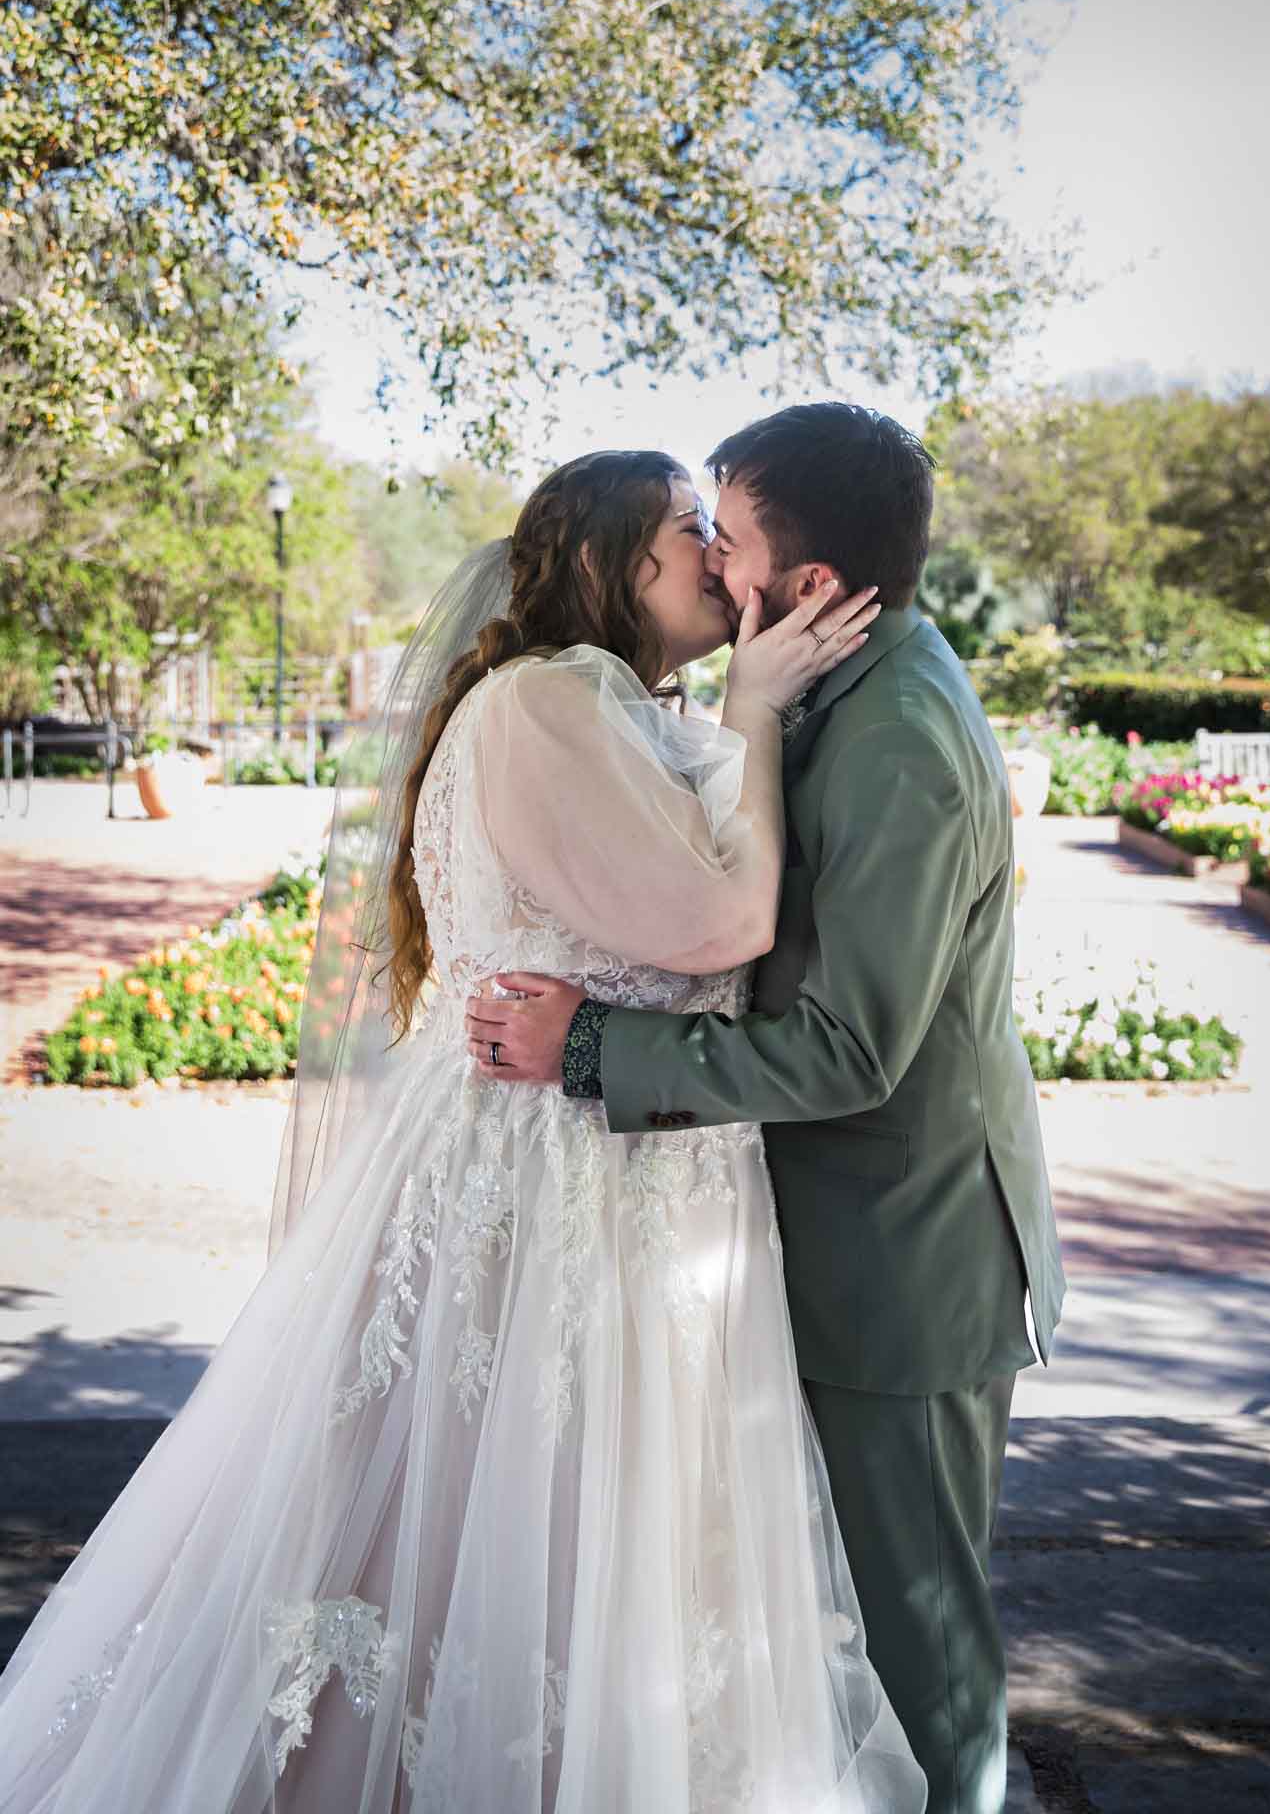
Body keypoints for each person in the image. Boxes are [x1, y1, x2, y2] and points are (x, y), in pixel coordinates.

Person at [0, 449, 927, 1814]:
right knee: (475, 1525)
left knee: (595, 1547)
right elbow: (720, 924)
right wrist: (760, 713)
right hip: (539, 1178)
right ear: (613, 562)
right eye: (687, 532)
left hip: (630, 1179)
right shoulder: (552, 700)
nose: (716, 562)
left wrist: (740, 714)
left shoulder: (618, 706)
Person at [467, 405, 1068, 1814]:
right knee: (839, 1623)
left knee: (921, 1640)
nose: (709, 563)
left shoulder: (898, 737)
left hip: (901, 1256)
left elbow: (849, 1052)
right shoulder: (836, 695)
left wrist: (595, 1047)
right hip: (823, 1235)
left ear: (803, 585)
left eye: (724, 542)